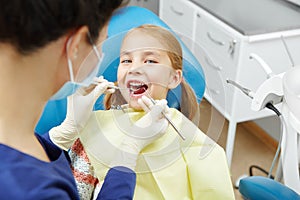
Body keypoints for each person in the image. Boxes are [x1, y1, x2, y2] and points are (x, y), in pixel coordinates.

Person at [0, 1, 169, 199]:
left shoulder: (17, 142)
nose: (135, 69)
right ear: (77, 45)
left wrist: (59, 136)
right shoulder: (33, 191)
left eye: (149, 60)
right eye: (103, 43)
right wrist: (127, 156)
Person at [51, 25, 235, 199]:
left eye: (150, 61)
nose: (134, 68)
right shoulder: (93, 127)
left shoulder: (190, 139)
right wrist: (69, 127)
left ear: (173, 78)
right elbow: (74, 191)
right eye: (126, 60)